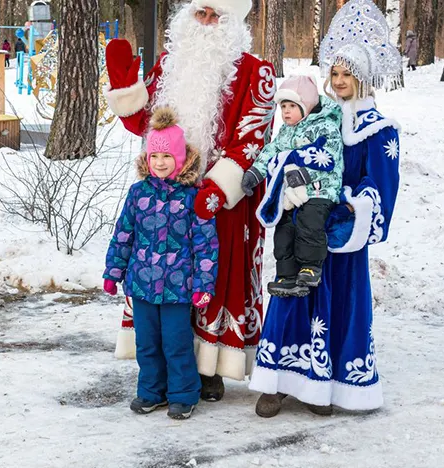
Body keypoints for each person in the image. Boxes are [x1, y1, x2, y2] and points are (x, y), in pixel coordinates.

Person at [104, 0, 277, 402]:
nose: (207, 22)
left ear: (234, 21)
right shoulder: (169, 63)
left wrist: (214, 194)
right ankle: (162, 368)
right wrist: (125, 91)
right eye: (201, 13)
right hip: (163, 203)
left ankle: (210, 369)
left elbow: (252, 141)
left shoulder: (256, 71)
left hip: (221, 201)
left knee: (213, 282)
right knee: (165, 284)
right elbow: (144, 126)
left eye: (217, 15)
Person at [250, 0, 402, 418]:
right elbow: (287, 151)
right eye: (334, 74)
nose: (339, 82)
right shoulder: (317, 118)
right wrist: (291, 183)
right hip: (304, 219)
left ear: (363, 77)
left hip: (344, 233)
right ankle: (277, 382)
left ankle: (328, 386)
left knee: (339, 305)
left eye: (347, 74)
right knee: (290, 295)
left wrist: (354, 208)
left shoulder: (379, 130)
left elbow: (382, 185)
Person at [103, 108, 218, 420]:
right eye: (155, 156)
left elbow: (205, 244)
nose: (160, 163)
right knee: (147, 343)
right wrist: (114, 271)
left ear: (180, 159)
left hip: (178, 288)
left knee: (177, 344)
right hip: (141, 284)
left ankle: (183, 394)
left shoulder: (192, 196)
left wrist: (204, 285)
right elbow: (124, 234)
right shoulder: (138, 193)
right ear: (147, 159)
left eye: (167, 157)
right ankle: (151, 391)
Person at [244, 75, 344, 298]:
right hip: (291, 193)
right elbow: (270, 152)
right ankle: (287, 275)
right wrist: (255, 173)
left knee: (309, 222)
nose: (286, 112)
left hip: (321, 189)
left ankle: (311, 266)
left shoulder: (325, 126)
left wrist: (303, 175)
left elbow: (329, 159)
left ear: (306, 105)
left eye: (292, 106)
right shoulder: (286, 131)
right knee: (284, 227)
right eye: (283, 107)